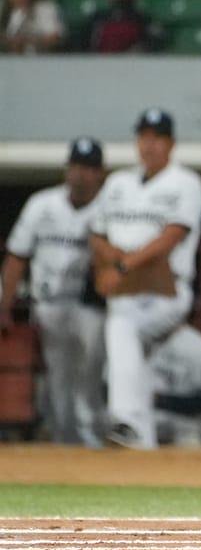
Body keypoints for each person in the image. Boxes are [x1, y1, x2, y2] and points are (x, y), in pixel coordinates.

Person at [90, 108, 201, 449]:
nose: (149, 144)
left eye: (157, 137)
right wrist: (113, 263)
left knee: (121, 326)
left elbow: (172, 236)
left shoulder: (186, 182)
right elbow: (97, 234)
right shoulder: (118, 183)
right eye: (144, 137)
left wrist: (124, 267)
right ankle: (143, 440)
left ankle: (125, 420)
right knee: (131, 354)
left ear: (170, 143)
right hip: (124, 289)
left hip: (166, 292)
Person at [0, 138, 107, 447]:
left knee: (91, 370)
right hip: (49, 303)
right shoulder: (41, 204)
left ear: (99, 173)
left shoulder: (108, 207)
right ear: (67, 169)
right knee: (58, 375)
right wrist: (4, 304)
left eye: (88, 168)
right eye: (76, 166)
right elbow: (17, 256)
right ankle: (65, 441)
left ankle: (93, 435)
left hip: (91, 305)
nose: (81, 174)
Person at [150, 322, 201, 448]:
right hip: (138, 430)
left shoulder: (199, 346)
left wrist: (162, 400)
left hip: (184, 432)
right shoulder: (126, 339)